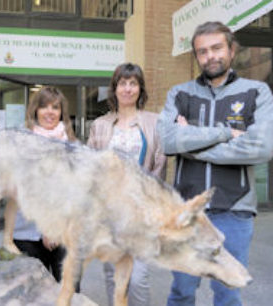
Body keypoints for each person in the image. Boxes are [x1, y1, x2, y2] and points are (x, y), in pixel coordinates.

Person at [157, 21, 273, 306]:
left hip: (235, 212)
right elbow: (169, 141)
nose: (210, 56)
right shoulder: (179, 94)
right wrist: (225, 133)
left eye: (216, 48)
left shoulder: (256, 92)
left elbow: (261, 147)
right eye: (202, 51)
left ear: (231, 50)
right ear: (196, 57)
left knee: (228, 294)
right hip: (187, 214)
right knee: (182, 292)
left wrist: (194, 145)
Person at [87, 62, 167, 306]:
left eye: (133, 83)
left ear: (140, 89)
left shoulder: (154, 122)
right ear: (115, 88)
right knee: (113, 275)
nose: (128, 89)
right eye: (123, 83)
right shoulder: (100, 125)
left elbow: (160, 164)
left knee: (138, 278)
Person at [11, 86, 77, 283]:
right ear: (35, 111)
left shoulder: (73, 147)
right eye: (44, 107)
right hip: (27, 232)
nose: (49, 112)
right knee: (31, 295)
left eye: (55, 107)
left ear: (61, 113)